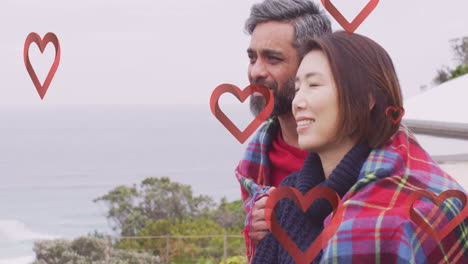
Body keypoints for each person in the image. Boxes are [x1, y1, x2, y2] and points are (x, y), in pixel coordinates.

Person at [252, 31, 468, 263]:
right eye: (297, 88)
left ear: (367, 99)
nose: (297, 102)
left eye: (313, 85)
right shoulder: (288, 199)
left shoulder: (415, 210)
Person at [234, 0, 331, 259]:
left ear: (313, 64)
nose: (255, 72)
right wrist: (257, 229)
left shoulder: (358, 150)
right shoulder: (254, 161)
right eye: (252, 57)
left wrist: (289, 216)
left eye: (272, 59)